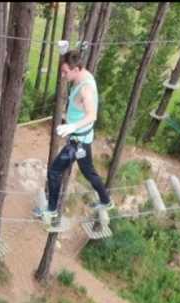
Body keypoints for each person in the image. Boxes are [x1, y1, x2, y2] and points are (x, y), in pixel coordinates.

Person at [39, 50, 113, 222]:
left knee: (54, 172)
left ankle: (52, 210)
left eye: (66, 72)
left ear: (77, 69)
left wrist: (72, 126)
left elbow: (92, 115)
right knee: (88, 171)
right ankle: (106, 200)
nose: (63, 75)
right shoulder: (82, 75)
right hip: (80, 138)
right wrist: (64, 51)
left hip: (78, 141)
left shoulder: (85, 89)